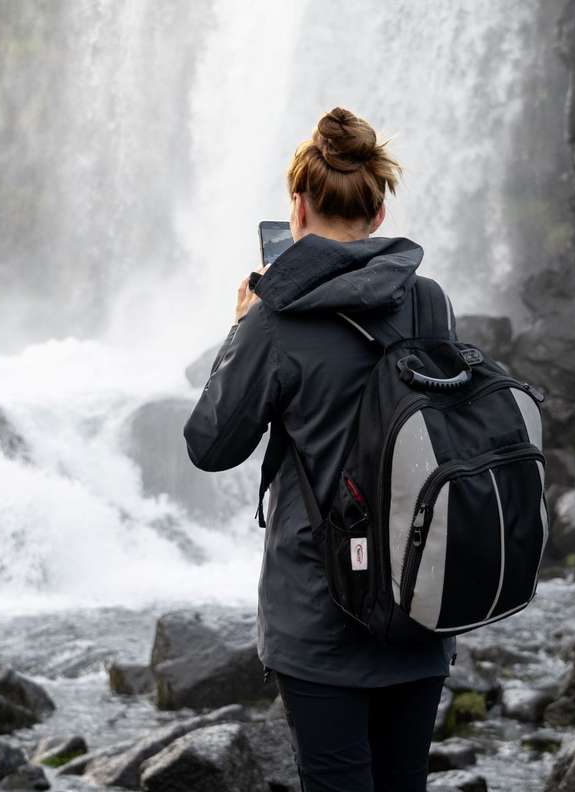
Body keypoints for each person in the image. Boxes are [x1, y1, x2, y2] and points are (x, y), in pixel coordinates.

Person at [183, 107, 457, 792]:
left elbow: (211, 444)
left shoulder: (274, 319)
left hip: (318, 611)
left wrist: (238, 332)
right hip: (420, 600)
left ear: (297, 208)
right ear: (377, 207)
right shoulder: (426, 303)